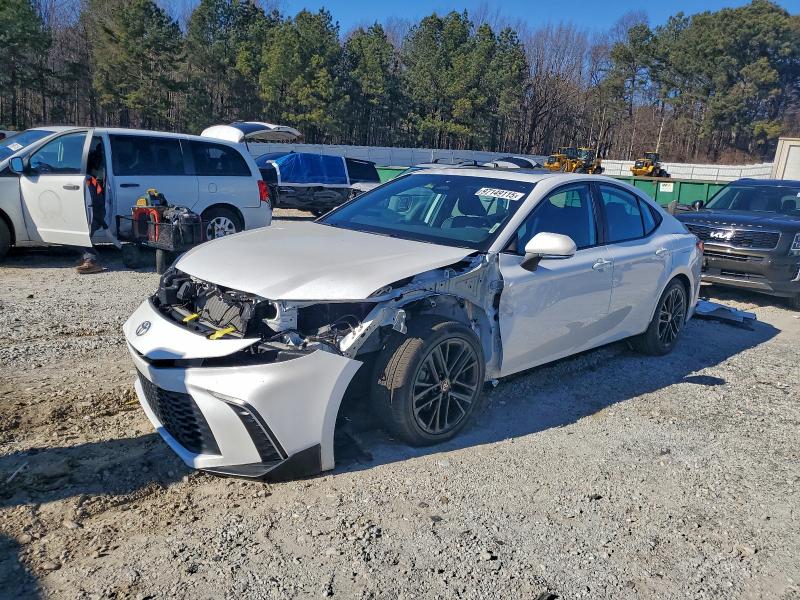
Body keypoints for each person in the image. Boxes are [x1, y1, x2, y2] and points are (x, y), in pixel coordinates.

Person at [76, 143, 107, 274]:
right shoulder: (88, 179)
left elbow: (97, 206)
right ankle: (85, 256)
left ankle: (93, 261)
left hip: (95, 215)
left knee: (80, 230)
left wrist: (97, 220)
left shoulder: (90, 181)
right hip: (92, 214)